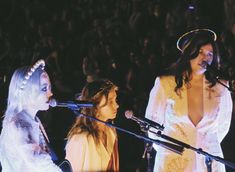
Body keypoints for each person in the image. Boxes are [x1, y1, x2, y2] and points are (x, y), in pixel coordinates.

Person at [145, 29, 233, 172]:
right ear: (188, 53)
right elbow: (152, 125)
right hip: (172, 162)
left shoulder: (221, 87)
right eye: (200, 52)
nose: (205, 57)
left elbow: (223, 125)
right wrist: (169, 149)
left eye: (210, 54)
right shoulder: (166, 83)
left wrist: (206, 143)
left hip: (209, 162)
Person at [0, 59, 62, 172]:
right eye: (44, 88)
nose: (51, 93)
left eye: (50, 88)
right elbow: (38, 160)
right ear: (28, 92)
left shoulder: (33, 120)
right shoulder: (17, 124)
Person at [65, 79, 119, 172]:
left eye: (115, 100)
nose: (116, 105)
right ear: (94, 105)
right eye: (110, 101)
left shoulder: (111, 132)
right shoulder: (80, 138)